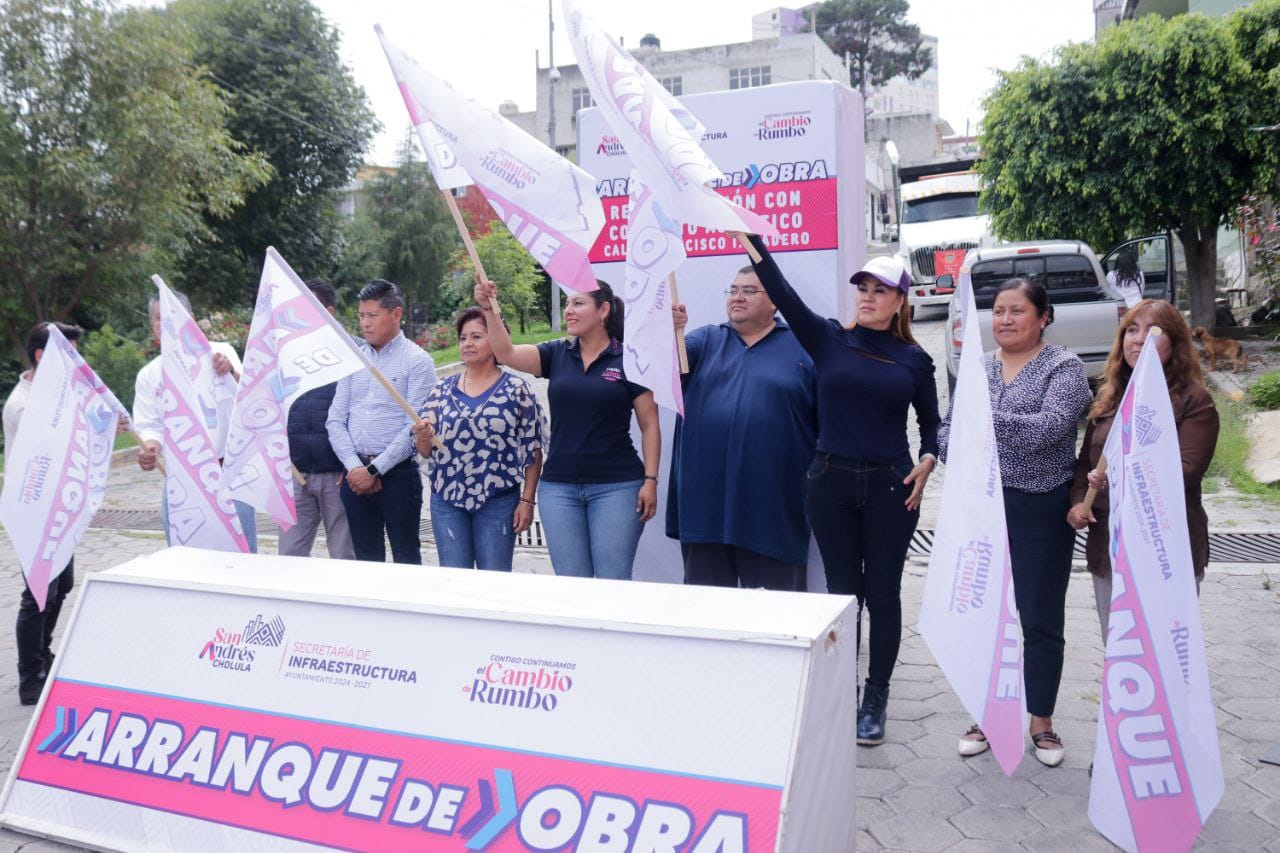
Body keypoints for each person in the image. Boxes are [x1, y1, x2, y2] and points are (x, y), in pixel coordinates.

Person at [740, 234, 939, 746]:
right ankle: (842, 691)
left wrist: (930, 457)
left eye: (880, 290)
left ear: (901, 301)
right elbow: (781, 292)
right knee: (843, 595)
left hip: (891, 488)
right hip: (829, 482)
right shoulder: (829, 338)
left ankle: (876, 697)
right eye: (862, 288)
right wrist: (750, 238)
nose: (868, 296)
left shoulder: (914, 361)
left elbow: (932, 424)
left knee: (884, 593)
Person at [942, 277, 1092, 767]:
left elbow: (1048, 431)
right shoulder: (980, 368)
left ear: (1043, 317)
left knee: (1039, 618)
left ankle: (1041, 722)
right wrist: (968, 427)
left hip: (1040, 512)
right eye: (999, 311)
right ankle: (987, 715)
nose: (1004, 319)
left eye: (1017, 310)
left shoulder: (1064, 367)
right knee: (986, 616)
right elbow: (946, 437)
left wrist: (978, 424)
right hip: (981, 512)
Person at [472, 277, 660, 580]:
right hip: (559, 488)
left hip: (617, 487)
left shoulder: (630, 359)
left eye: (578, 303)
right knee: (572, 587)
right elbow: (505, 354)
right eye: (567, 303)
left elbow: (650, 424)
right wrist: (489, 309)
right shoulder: (556, 353)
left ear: (603, 311)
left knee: (613, 582)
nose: (568, 310)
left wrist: (650, 479)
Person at [1068, 299, 1218, 636]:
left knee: (1166, 650)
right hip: (1111, 544)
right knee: (1120, 644)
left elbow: (1186, 469)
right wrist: (1079, 501)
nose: (1137, 339)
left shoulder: (1195, 400)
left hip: (1166, 547)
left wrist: (1116, 476)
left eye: (1152, 331)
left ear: (1175, 342)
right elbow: (1085, 464)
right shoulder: (1109, 399)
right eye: (1131, 330)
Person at [667, 265, 816, 590]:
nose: (738, 297)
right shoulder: (705, 340)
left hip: (773, 511)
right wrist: (669, 332)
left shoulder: (803, 347)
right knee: (708, 620)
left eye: (749, 291)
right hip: (707, 510)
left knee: (777, 621)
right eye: (733, 290)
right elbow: (667, 366)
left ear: (775, 301)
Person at [411, 307, 546, 571]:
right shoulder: (441, 389)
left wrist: (527, 501)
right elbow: (425, 451)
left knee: (494, 582)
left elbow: (533, 449)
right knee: (454, 582)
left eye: (476, 336)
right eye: (463, 338)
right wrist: (423, 436)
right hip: (447, 500)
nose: (467, 343)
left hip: (498, 500)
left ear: (496, 340)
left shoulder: (517, 390)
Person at [134, 290, 258, 552]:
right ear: (152, 327)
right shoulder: (149, 375)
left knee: (243, 564)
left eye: (172, 316)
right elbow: (149, 426)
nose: (165, 323)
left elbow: (252, 399)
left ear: (190, 319)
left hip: (228, 476)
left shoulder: (220, 355)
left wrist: (232, 372)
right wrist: (150, 449)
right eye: (158, 318)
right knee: (185, 563)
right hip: (183, 483)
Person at [327, 279, 437, 564]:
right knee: (365, 560)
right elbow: (335, 420)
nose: (365, 323)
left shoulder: (417, 360)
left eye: (372, 316)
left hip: (398, 477)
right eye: (361, 316)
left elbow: (413, 428)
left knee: (405, 558)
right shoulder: (354, 359)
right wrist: (355, 467)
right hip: (354, 476)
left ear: (396, 314)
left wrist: (374, 470)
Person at [4, 322, 83, 704]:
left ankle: (43, 654)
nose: (74, 362)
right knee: (38, 594)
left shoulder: (55, 394)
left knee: (62, 585)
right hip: (33, 511)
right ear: (41, 357)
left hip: (58, 509)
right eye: (67, 354)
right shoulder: (24, 405)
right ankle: (28, 676)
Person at [277, 280, 355, 560]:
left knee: (345, 558)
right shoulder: (284, 355)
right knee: (289, 558)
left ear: (329, 312)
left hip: (338, 475)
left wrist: (353, 463)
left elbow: (362, 413)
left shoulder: (352, 354)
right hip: (295, 474)